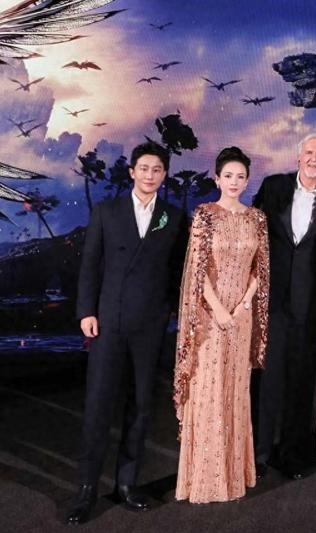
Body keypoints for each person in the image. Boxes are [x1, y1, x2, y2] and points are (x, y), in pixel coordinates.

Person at [67, 142, 188, 525]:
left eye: (157, 169)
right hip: (108, 322)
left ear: (164, 175)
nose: (150, 175)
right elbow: (90, 265)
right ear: (133, 172)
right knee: (98, 405)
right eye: (144, 168)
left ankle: (127, 484)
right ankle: (87, 489)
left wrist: (169, 309)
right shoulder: (107, 211)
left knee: (140, 406)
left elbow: (177, 270)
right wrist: (86, 311)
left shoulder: (173, 217)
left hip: (149, 326)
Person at [174, 146, 269, 502]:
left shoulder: (257, 218)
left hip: (242, 318)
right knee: (209, 389)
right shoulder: (204, 215)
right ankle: (205, 479)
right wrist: (219, 311)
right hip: (210, 318)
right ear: (216, 179)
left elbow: (261, 269)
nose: (234, 181)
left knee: (236, 389)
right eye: (228, 175)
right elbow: (197, 270)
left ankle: (234, 475)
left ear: (247, 180)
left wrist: (242, 306)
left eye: (240, 176)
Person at [252, 133, 316, 479]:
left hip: (309, 304)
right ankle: (257, 453)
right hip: (271, 300)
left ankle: (292, 455)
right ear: (298, 156)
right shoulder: (273, 186)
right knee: (266, 378)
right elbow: (252, 234)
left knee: (301, 381)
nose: (314, 159)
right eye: (309, 153)